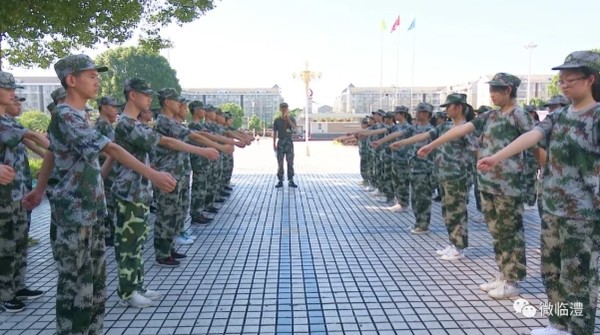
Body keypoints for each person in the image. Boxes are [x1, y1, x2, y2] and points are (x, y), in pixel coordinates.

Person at [22, 54, 177, 334]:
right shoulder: (66, 115)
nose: (98, 81)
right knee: (76, 288)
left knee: (94, 286)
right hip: (74, 214)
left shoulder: (80, 115)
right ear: (72, 80)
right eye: (91, 76)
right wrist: (152, 174)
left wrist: (39, 189)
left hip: (90, 210)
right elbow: (112, 149)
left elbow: (52, 153)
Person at [477, 50, 600, 335]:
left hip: (582, 214)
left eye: (571, 79)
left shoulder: (596, 116)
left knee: (578, 277)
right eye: (562, 79)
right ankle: (558, 323)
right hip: (554, 208)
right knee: (551, 271)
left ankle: (580, 329)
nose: (564, 84)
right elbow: (531, 136)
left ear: (590, 80)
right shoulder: (559, 116)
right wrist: (497, 157)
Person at [417, 73, 537, 299]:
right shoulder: (490, 116)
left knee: (510, 232)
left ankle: (512, 280)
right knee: (497, 232)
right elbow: (460, 130)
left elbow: (534, 143)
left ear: (509, 90)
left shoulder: (519, 115)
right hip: (489, 183)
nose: (491, 94)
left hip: (509, 185)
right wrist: (432, 145)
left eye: (496, 90)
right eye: (491, 89)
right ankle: (502, 275)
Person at [110, 78, 218, 308]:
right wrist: (201, 150)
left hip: (138, 190)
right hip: (129, 192)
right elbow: (165, 141)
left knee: (137, 242)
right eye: (145, 93)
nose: (150, 98)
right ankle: (127, 291)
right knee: (128, 244)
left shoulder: (134, 123)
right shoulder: (127, 124)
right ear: (132, 95)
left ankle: (137, 284)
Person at [0, 72, 49, 313]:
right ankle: (4, 293)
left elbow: (29, 141)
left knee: (19, 242)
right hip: (3, 199)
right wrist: (59, 150)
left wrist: (51, 157)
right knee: (5, 244)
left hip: (17, 194)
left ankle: (17, 286)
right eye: (7, 88)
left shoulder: (8, 121)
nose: (13, 93)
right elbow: (32, 136)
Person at [390, 102, 434, 233]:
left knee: (423, 198)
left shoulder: (431, 130)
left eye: (421, 112)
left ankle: (423, 224)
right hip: (413, 167)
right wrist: (385, 141)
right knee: (415, 198)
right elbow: (399, 133)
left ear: (427, 114)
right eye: (417, 111)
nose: (417, 114)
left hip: (424, 168)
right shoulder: (414, 128)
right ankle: (418, 222)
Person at [94, 96, 119, 246]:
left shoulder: (108, 125)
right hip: (106, 170)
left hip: (112, 169)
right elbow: (98, 149)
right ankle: (108, 233)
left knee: (112, 202)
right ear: (103, 107)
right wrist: (114, 155)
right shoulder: (100, 125)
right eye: (113, 106)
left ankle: (111, 231)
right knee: (108, 202)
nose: (116, 109)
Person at [273, 102, 297, 188]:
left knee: (290, 161)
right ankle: (280, 180)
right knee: (280, 162)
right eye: (282, 108)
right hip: (281, 142)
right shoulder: (277, 120)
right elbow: (275, 132)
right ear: (280, 109)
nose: (284, 109)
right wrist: (274, 144)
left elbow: (294, 128)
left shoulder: (291, 118)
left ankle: (291, 179)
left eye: (285, 108)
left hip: (289, 142)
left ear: (288, 109)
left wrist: (288, 120)